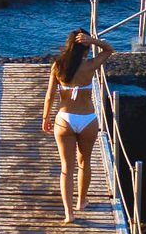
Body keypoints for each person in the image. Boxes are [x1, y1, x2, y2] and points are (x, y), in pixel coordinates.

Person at [41, 28, 115, 223]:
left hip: (64, 119)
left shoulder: (57, 66)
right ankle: (81, 201)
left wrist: (45, 117)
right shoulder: (90, 65)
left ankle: (68, 213)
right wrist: (94, 40)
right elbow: (110, 50)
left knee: (66, 168)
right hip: (87, 120)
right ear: (85, 49)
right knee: (85, 163)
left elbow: (49, 96)